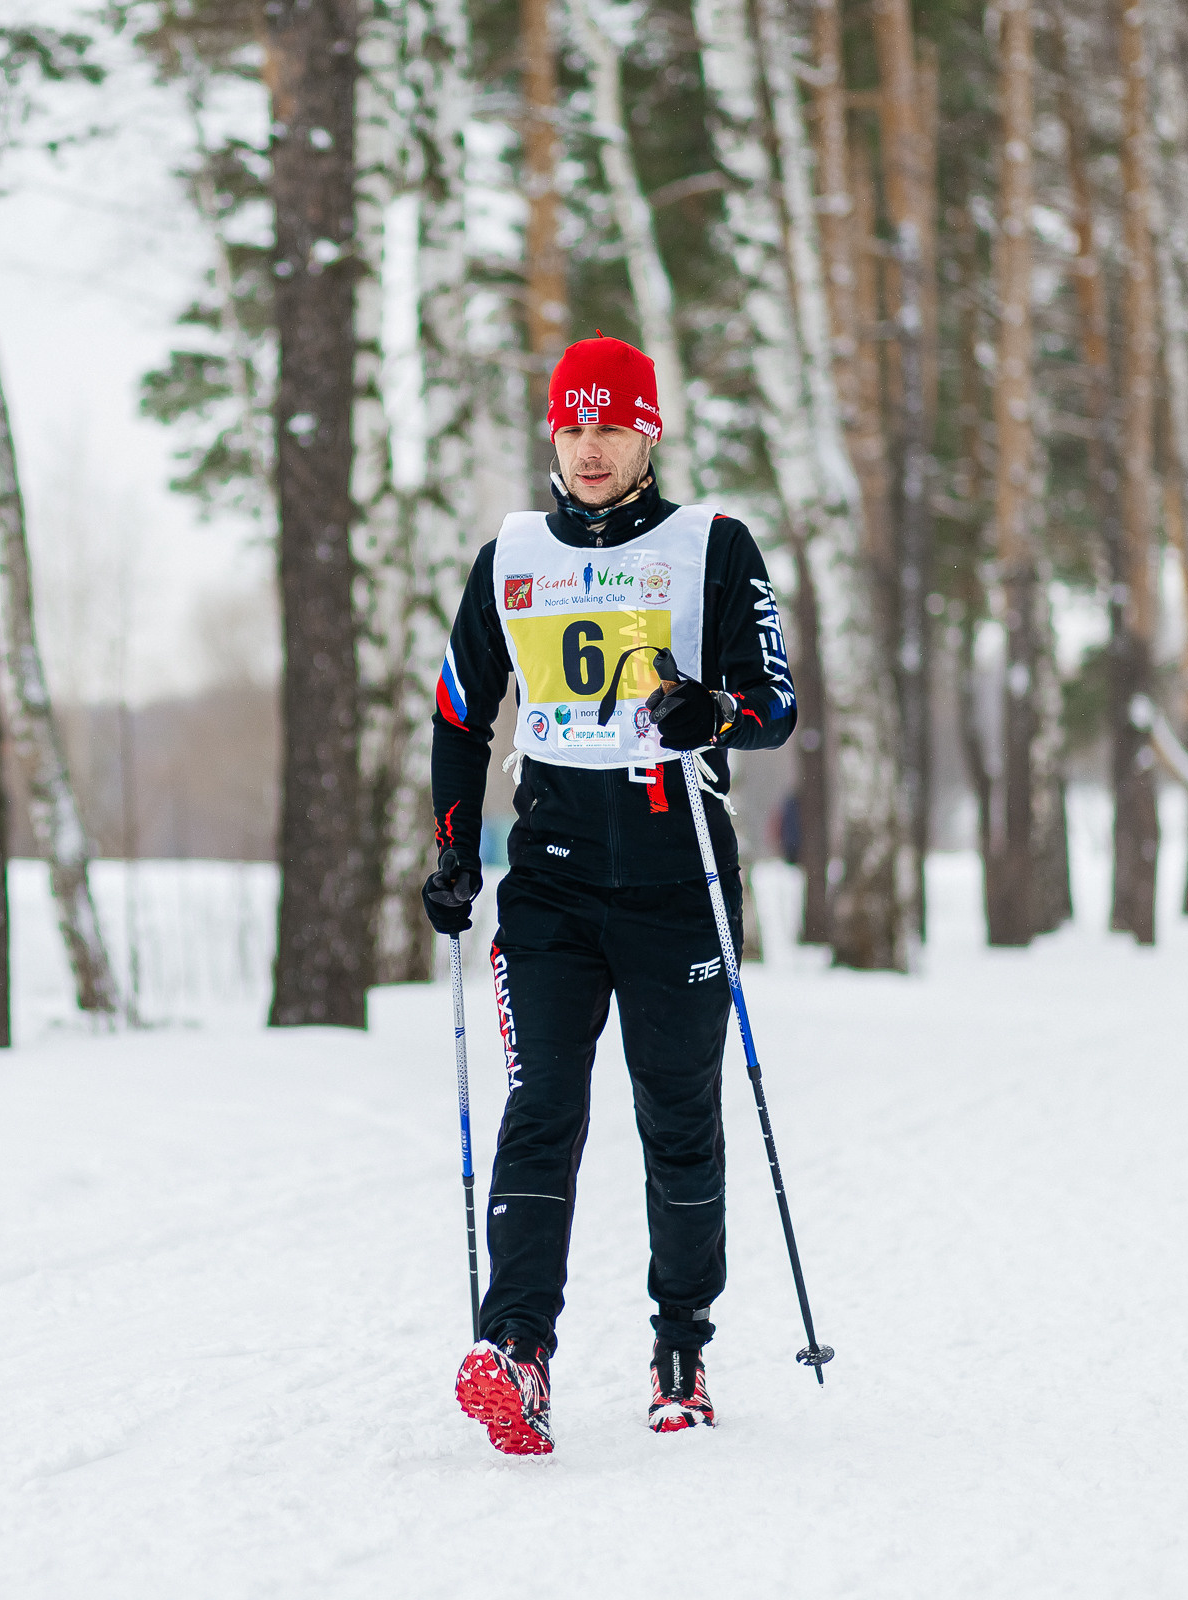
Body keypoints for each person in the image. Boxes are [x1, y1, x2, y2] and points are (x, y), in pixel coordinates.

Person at [421, 336, 798, 1456]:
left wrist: (712, 713)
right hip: (550, 887)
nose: (591, 447)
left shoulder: (712, 546)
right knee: (541, 1113)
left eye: (612, 426)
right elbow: (458, 714)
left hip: (678, 881)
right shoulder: (511, 555)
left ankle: (680, 1347)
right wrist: (453, 852)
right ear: (554, 433)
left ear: (649, 434)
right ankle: (518, 1354)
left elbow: (772, 701)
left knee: (676, 1119)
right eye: (573, 426)